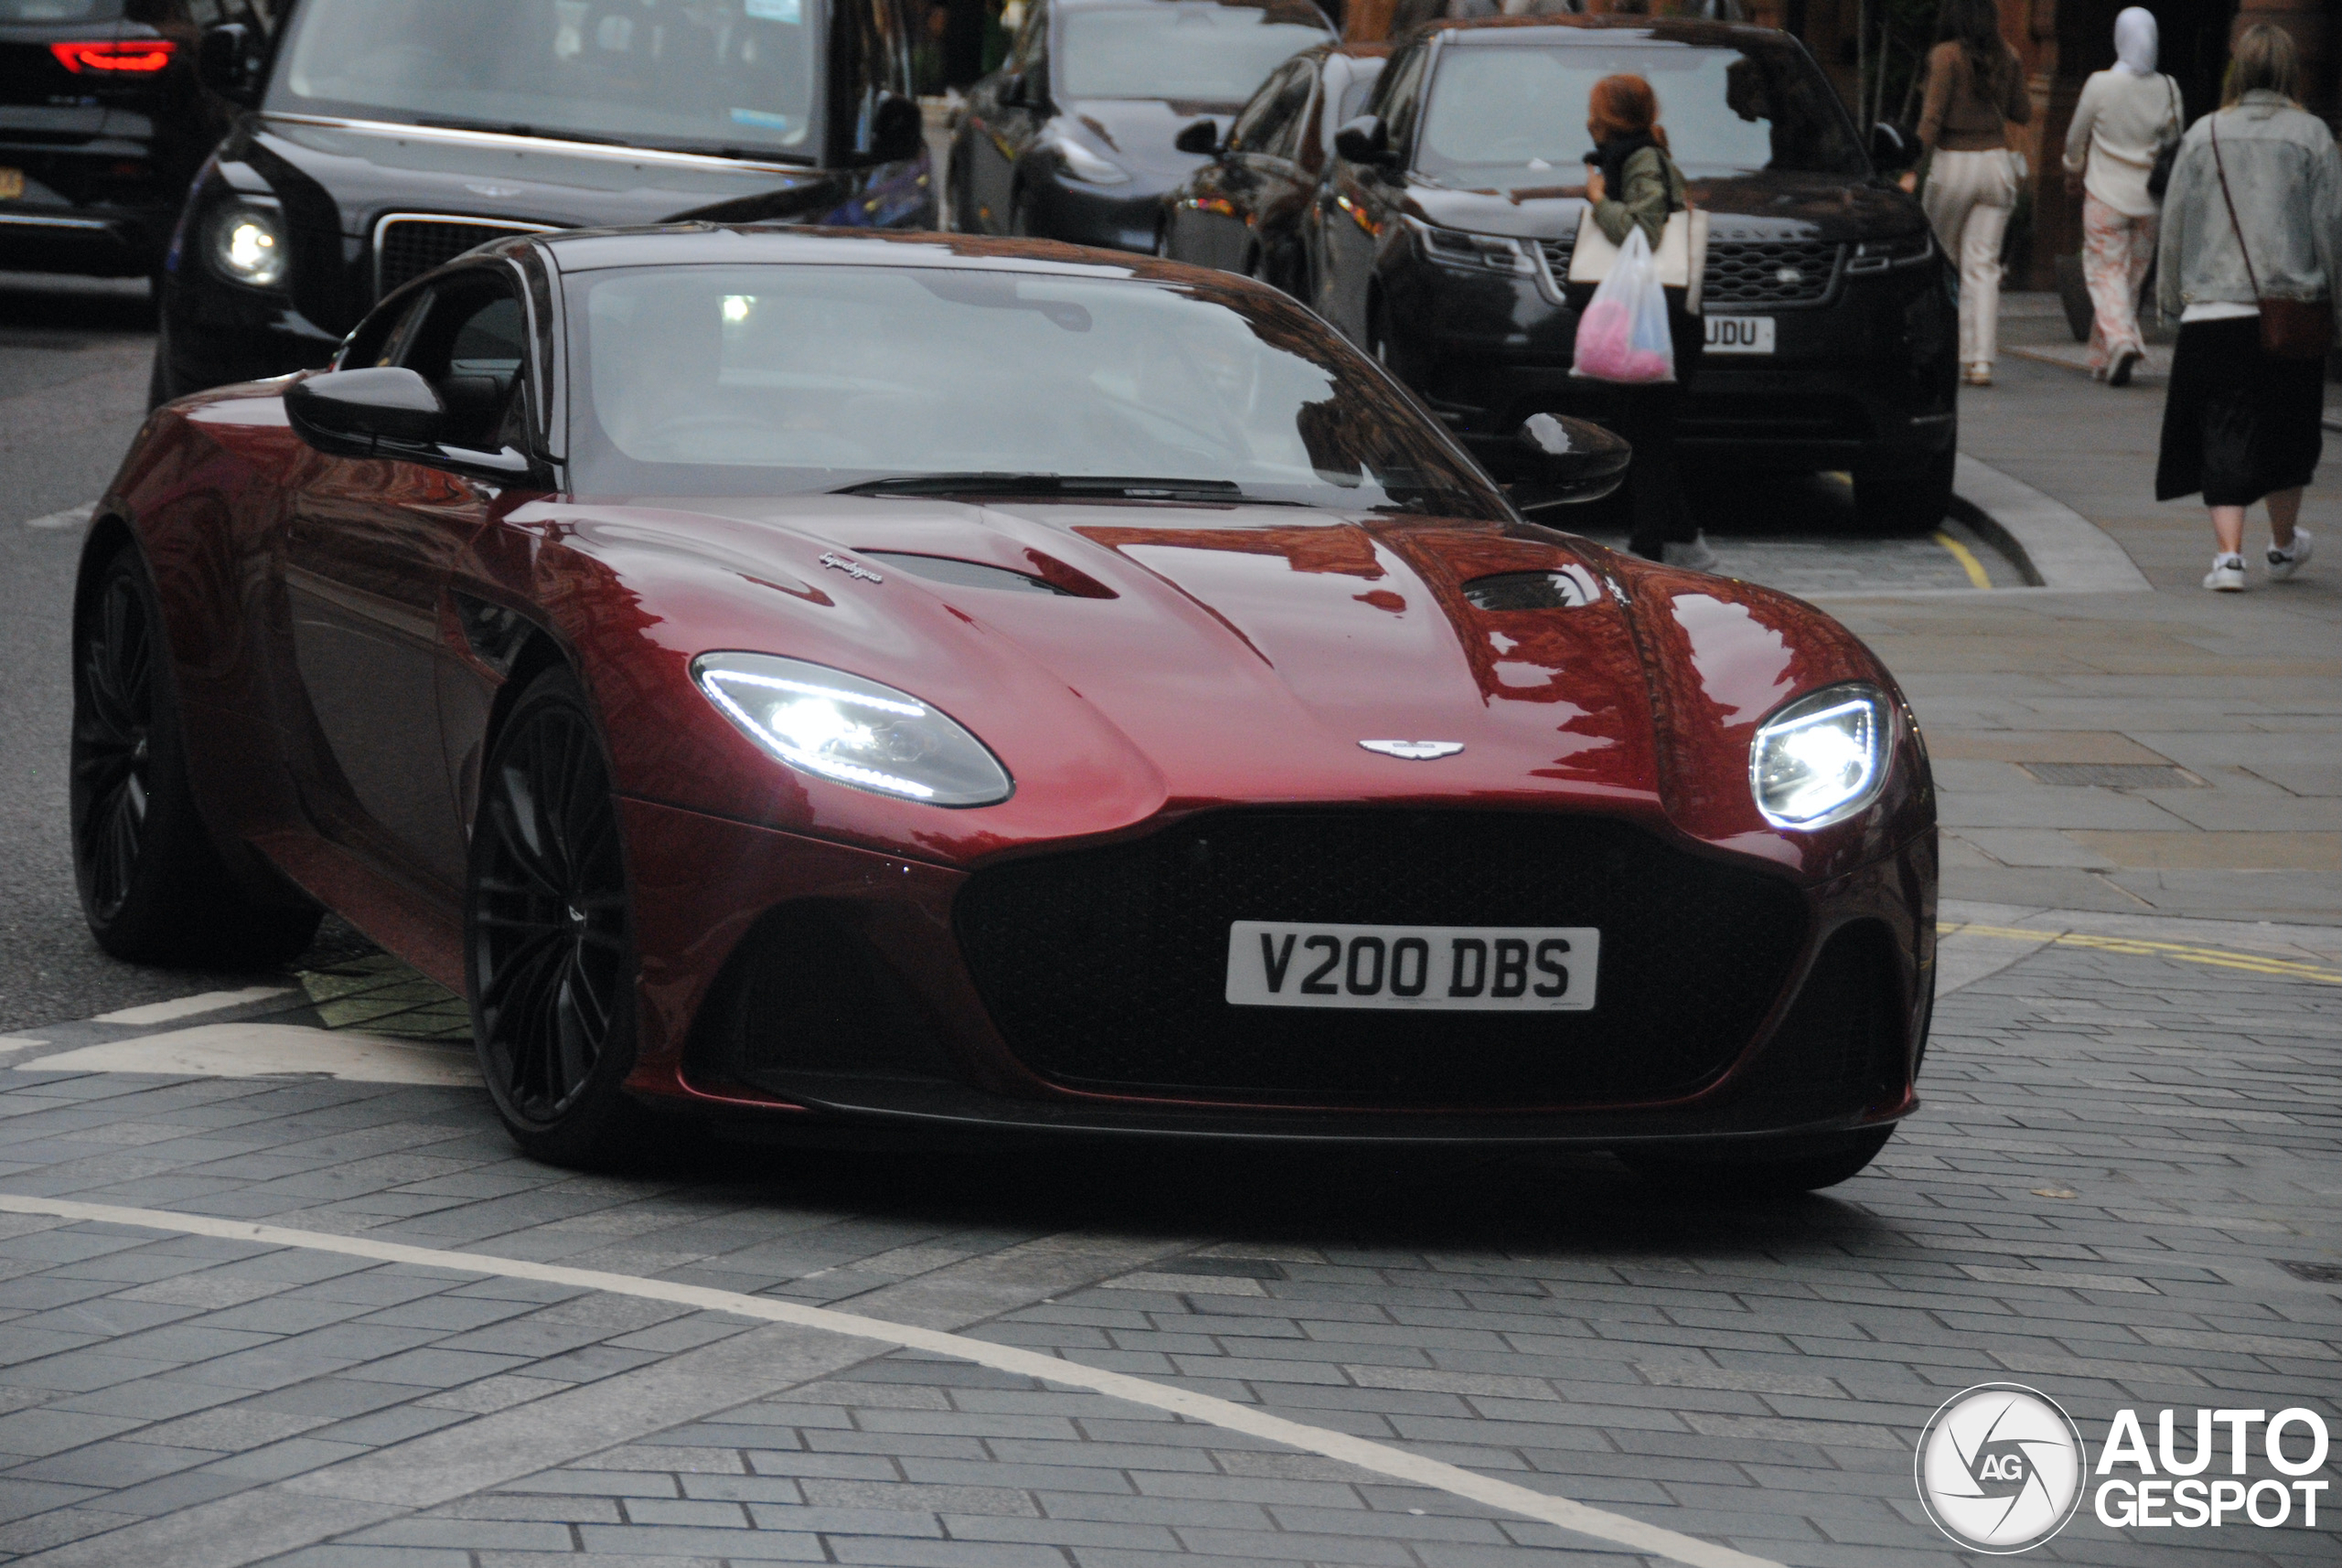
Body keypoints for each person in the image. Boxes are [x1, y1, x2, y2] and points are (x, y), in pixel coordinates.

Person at [2154, 24, 2337, 592]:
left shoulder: (2203, 134)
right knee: (2288, 428)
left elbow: (2175, 224)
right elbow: (2331, 227)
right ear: (2289, 72)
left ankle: (2229, 558)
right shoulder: (2314, 137)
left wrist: (2168, 302)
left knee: (2222, 428)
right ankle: (2282, 546)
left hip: (2213, 309)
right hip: (2291, 311)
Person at [1581, 73, 1713, 571]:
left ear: (1608, 119)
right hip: (1655, 317)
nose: (1587, 120)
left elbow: (1644, 230)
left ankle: (1649, 550)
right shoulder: (1639, 157)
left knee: (1648, 436)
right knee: (1646, 434)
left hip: (1661, 323)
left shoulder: (1640, 161)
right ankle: (1683, 545)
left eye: (1593, 110)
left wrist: (1598, 202)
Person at [1907, 0, 2031, 387]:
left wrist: (1911, 168)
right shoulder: (2008, 55)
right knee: (1984, 268)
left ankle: (1934, 347)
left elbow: (1931, 118)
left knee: (1938, 260)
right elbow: (2023, 112)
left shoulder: (1945, 56)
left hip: (1953, 165)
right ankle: (1980, 362)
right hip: (1995, 167)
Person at [2062, 7, 2182, 387]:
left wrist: (2072, 167)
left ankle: (2120, 341)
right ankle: (2104, 359)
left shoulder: (2100, 85)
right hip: (2150, 203)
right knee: (2130, 280)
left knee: (2105, 273)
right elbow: (2175, 142)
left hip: (2104, 196)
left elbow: (2075, 137)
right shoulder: (2169, 87)